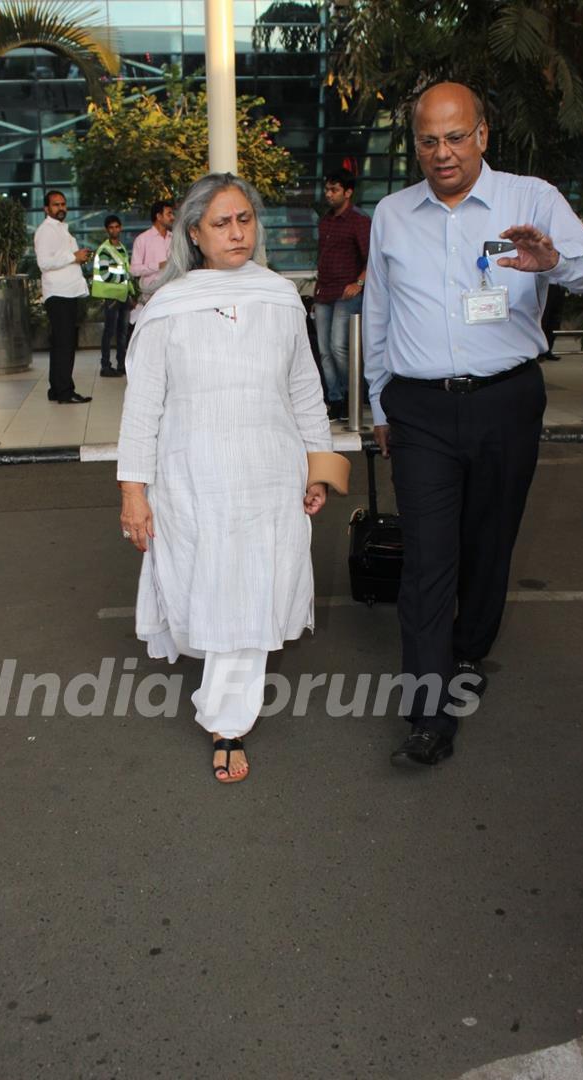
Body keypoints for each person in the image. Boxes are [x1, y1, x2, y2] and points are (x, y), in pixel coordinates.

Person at [363, 81, 583, 768]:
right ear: (416, 145)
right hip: (421, 409)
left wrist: (555, 262)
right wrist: (381, 405)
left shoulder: (531, 198)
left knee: (488, 547)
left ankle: (469, 647)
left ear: (483, 135)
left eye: (456, 136)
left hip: (506, 401)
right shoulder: (393, 215)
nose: (443, 153)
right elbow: (377, 316)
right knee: (428, 561)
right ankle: (429, 713)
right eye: (429, 140)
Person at [117, 173, 348, 784]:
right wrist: (133, 491)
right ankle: (226, 710)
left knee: (252, 588)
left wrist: (319, 468)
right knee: (212, 587)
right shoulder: (168, 306)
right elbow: (143, 407)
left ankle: (227, 720)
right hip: (193, 479)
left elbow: (304, 390)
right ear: (193, 232)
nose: (236, 231)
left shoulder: (278, 296)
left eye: (244, 218)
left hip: (270, 478)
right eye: (221, 222)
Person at [314, 169, 371, 421]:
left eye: (334, 189)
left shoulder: (358, 220)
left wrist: (359, 282)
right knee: (324, 350)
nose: (329, 194)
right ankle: (335, 399)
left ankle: (352, 395)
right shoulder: (325, 220)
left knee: (339, 347)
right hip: (324, 290)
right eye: (327, 189)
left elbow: (372, 258)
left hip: (346, 292)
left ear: (348, 192)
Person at [34, 190, 92, 404]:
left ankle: (56, 389)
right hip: (59, 293)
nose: (61, 208)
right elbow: (44, 263)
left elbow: (64, 259)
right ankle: (65, 391)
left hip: (68, 291)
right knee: (64, 344)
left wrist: (77, 258)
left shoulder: (62, 230)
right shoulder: (45, 231)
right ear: (46, 209)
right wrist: (73, 257)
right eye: (56, 205)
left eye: (63, 204)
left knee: (62, 343)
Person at [91, 214, 135, 377]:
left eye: (117, 227)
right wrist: (125, 278)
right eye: (111, 227)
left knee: (122, 333)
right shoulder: (104, 250)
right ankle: (105, 366)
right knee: (109, 333)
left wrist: (131, 292)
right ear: (107, 230)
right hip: (111, 298)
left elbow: (126, 271)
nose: (114, 230)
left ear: (120, 228)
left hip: (123, 296)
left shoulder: (122, 248)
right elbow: (105, 274)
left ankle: (121, 365)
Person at [129, 199, 174, 299]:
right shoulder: (142, 239)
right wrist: (158, 266)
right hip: (151, 296)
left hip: (173, 293)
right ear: (159, 217)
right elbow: (134, 270)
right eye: (169, 214)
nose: (173, 217)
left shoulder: (175, 238)